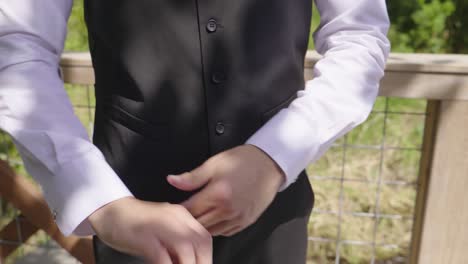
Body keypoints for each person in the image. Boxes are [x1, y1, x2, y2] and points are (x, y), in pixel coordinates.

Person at [0, 0, 390, 263]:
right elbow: (17, 47)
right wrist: (100, 201)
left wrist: (275, 155)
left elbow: (359, 35)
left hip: (275, 222)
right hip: (131, 218)